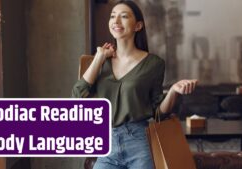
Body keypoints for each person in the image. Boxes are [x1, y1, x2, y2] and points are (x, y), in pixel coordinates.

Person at [72, 1, 198, 168]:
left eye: (123, 16)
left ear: (138, 26)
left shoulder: (153, 63)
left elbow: (159, 113)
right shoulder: (101, 61)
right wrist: (98, 58)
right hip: (107, 144)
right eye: (112, 16)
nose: (116, 21)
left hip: (139, 143)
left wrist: (173, 91)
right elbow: (77, 97)